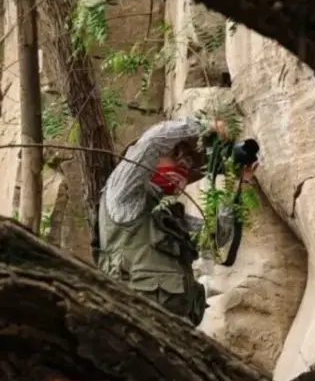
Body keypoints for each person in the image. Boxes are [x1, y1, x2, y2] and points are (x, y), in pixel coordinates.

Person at [94, 115, 255, 326]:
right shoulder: (122, 195)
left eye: (188, 161)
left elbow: (216, 239)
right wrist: (204, 127)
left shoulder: (167, 215)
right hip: (134, 324)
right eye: (175, 155)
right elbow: (152, 141)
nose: (183, 166)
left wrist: (231, 182)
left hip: (176, 329)